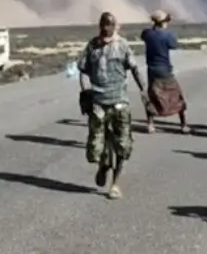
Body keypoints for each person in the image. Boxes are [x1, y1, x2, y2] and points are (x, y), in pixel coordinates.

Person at [77, 11, 146, 199]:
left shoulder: (122, 46)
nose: (105, 28)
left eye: (109, 25)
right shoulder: (92, 46)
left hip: (119, 102)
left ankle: (115, 184)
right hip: (98, 103)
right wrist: (86, 91)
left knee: (123, 146)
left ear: (114, 26)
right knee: (95, 150)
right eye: (102, 25)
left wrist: (144, 91)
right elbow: (83, 70)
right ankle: (103, 166)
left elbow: (134, 69)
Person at [140, 10, 190, 134]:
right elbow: (174, 45)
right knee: (176, 95)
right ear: (163, 22)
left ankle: (150, 124)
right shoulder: (167, 35)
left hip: (152, 70)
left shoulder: (147, 34)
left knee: (152, 95)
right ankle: (183, 124)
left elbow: (144, 35)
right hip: (165, 69)